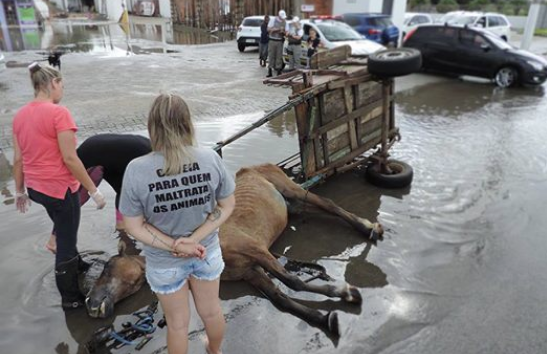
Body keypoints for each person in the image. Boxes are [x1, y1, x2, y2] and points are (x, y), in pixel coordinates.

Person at [119, 93, 236, 354]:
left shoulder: (136, 169)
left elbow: (133, 226)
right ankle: (214, 351)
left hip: (164, 263)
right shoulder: (210, 158)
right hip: (206, 253)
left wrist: (177, 245)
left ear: (152, 126)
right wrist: (194, 240)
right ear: (187, 123)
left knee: (178, 325)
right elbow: (227, 206)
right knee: (211, 311)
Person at [12, 62, 106, 310]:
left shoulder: (20, 116)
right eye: (61, 84)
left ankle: (79, 265)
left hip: (36, 189)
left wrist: (20, 191)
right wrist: (94, 191)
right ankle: (71, 299)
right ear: (53, 83)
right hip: (60, 189)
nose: (62, 89)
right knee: (65, 240)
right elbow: (70, 158)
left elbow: (18, 159)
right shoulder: (59, 113)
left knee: (64, 230)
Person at [45, 133, 153, 253]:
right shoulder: (157, 158)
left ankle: (122, 230)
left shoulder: (155, 154)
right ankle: (53, 240)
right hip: (95, 155)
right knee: (75, 202)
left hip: (111, 154)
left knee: (123, 191)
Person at [267, 10, 288, 77]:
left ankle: (279, 71)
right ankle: (270, 70)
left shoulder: (285, 22)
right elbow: (269, 29)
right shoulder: (273, 20)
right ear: (279, 16)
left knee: (279, 56)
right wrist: (278, 29)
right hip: (272, 40)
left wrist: (283, 32)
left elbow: (287, 32)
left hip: (280, 40)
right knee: (271, 55)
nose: (283, 18)